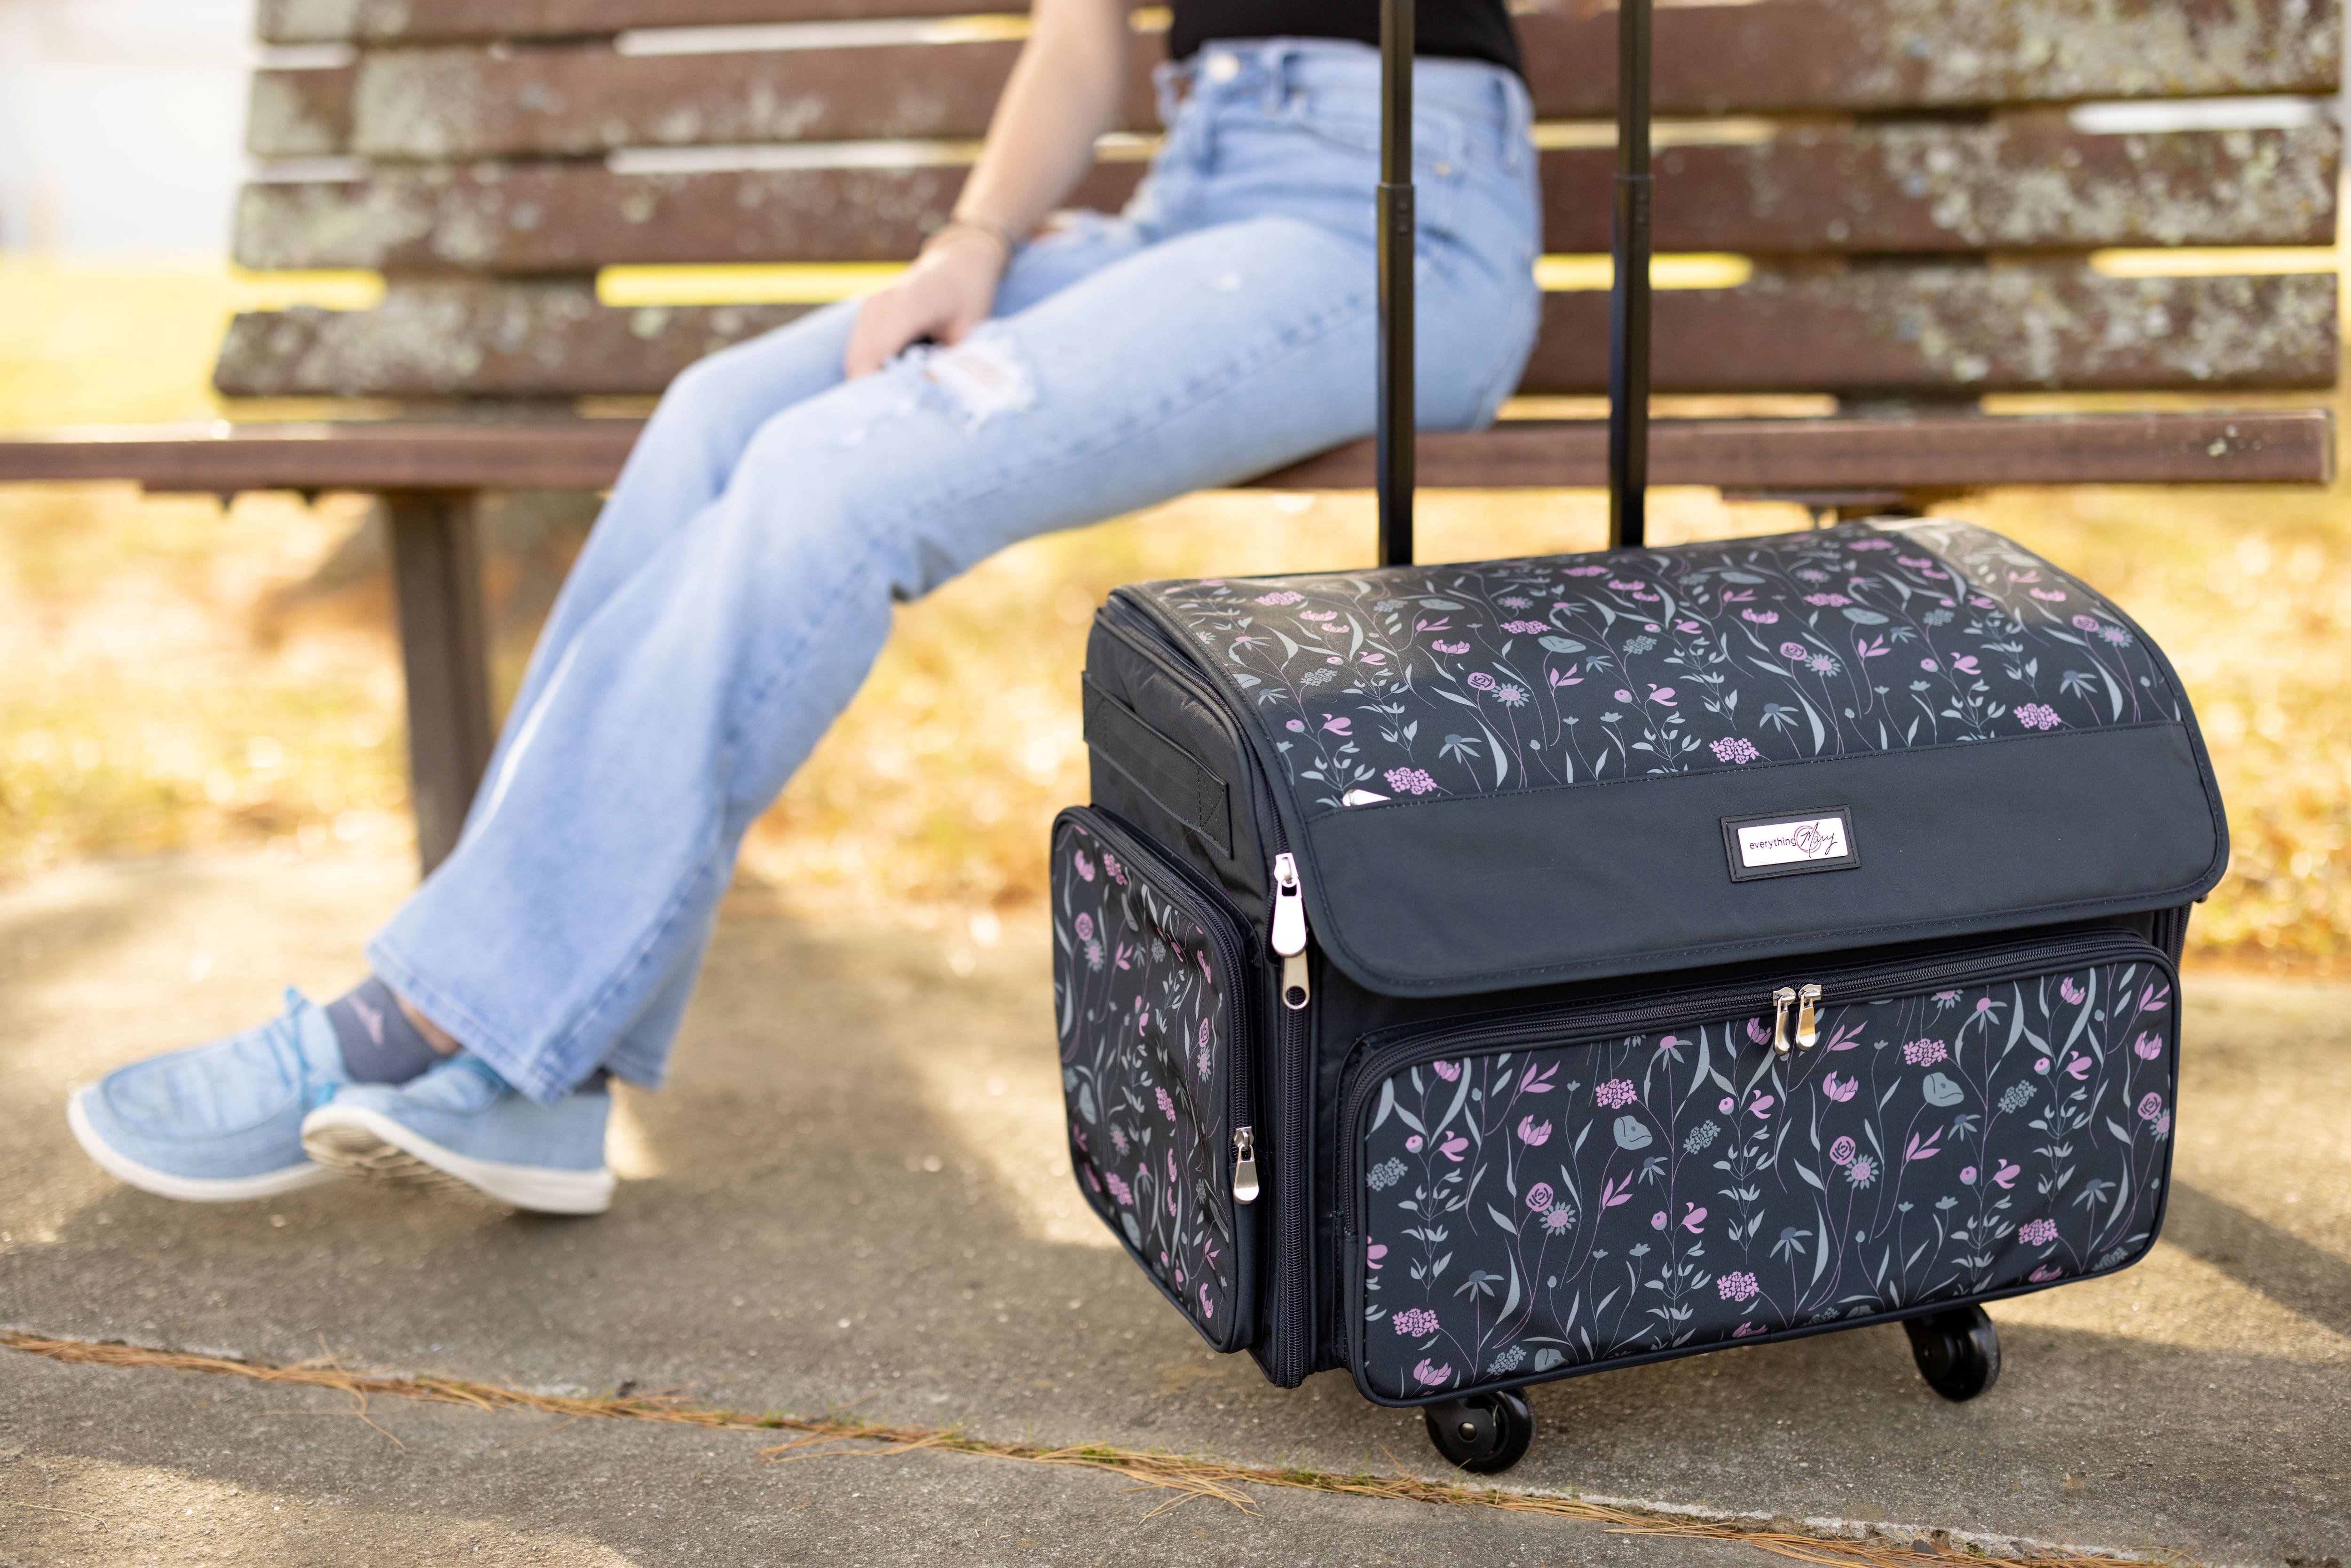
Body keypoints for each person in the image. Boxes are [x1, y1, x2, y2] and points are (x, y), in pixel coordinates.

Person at [65, 0, 1540, 1214]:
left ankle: (431, 1018)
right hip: (1190, 200)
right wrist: (973, 243)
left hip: (1400, 220)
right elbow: (1082, 33)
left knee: (834, 472)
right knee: (722, 418)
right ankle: (546, 1081)